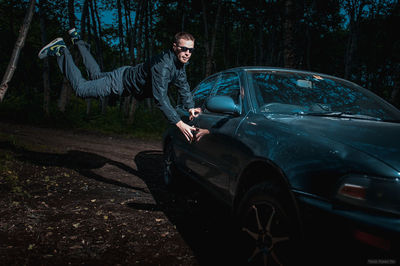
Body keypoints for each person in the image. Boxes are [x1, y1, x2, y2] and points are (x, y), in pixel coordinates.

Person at [38, 29, 202, 142]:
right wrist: (178, 123)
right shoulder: (163, 66)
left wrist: (190, 106)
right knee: (81, 89)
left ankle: (77, 40)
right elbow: (161, 98)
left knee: (95, 75)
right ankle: (61, 50)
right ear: (175, 47)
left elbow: (183, 85)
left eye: (191, 50)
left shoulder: (180, 65)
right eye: (184, 49)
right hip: (119, 82)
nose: (188, 53)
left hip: (124, 75)